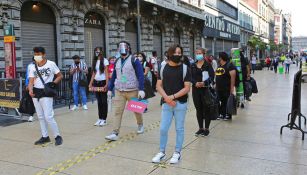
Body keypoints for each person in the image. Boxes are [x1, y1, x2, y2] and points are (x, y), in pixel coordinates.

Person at [152, 45, 191, 164]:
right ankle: (162, 152)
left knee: (179, 128)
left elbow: (187, 88)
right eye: (175, 53)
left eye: (180, 53)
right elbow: (158, 85)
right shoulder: (163, 68)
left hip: (180, 104)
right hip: (167, 103)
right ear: (169, 54)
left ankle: (177, 152)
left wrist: (172, 97)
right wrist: (167, 99)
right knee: (163, 128)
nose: (178, 55)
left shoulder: (185, 69)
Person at [105, 41, 145, 141]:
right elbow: (114, 75)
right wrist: (110, 88)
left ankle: (140, 124)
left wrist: (141, 89)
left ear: (128, 48)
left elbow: (140, 75)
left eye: (124, 46)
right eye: (120, 47)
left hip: (132, 90)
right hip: (119, 90)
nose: (122, 49)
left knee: (136, 110)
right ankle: (115, 132)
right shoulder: (117, 61)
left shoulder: (134, 60)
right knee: (117, 111)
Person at [28, 47, 63, 146]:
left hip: (46, 92)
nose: (37, 56)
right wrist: (30, 90)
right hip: (36, 93)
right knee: (40, 116)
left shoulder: (51, 64)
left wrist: (52, 84)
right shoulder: (32, 66)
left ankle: (57, 136)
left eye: (38, 53)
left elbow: (60, 76)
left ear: (44, 54)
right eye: (35, 54)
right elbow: (31, 80)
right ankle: (45, 136)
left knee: (48, 116)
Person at [191, 48, 215, 137]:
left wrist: (204, 83)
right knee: (198, 109)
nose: (198, 55)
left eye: (200, 53)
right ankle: (200, 128)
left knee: (206, 109)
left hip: (205, 90)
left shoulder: (208, 65)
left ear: (204, 54)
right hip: (196, 90)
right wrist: (195, 83)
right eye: (197, 53)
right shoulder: (193, 65)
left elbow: (212, 77)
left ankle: (207, 129)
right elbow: (190, 77)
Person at [89, 48, 109, 126]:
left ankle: (104, 119)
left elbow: (107, 73)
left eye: (98, 51)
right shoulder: (94, 61)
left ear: (101, 52)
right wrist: (90, 83)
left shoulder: (105, 60)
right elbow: (94, 73)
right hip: (96, 83)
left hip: (103, 82)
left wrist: (107, 84)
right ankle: (100, 118)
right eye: (96, 51)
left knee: (104, 101)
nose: (97, 52)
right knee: (99, 102)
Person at [215, 52, 236, 121]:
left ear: (221, 57)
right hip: (218, 87)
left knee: (227, 101)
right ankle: (222, 113)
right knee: (220, 101)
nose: (218, 58)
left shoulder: (229, 65)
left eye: (218, 57)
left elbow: (233, 78)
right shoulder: (219, 65)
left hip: (226, 87)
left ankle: (228, 114)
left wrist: (232, 88)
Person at [25, 57, 35, 122]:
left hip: (40, 86)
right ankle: (31, 115)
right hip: (31, 85)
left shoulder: (43, 65)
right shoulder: (30, 66)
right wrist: (27, 84)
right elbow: (27, 76)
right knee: (31, 100)